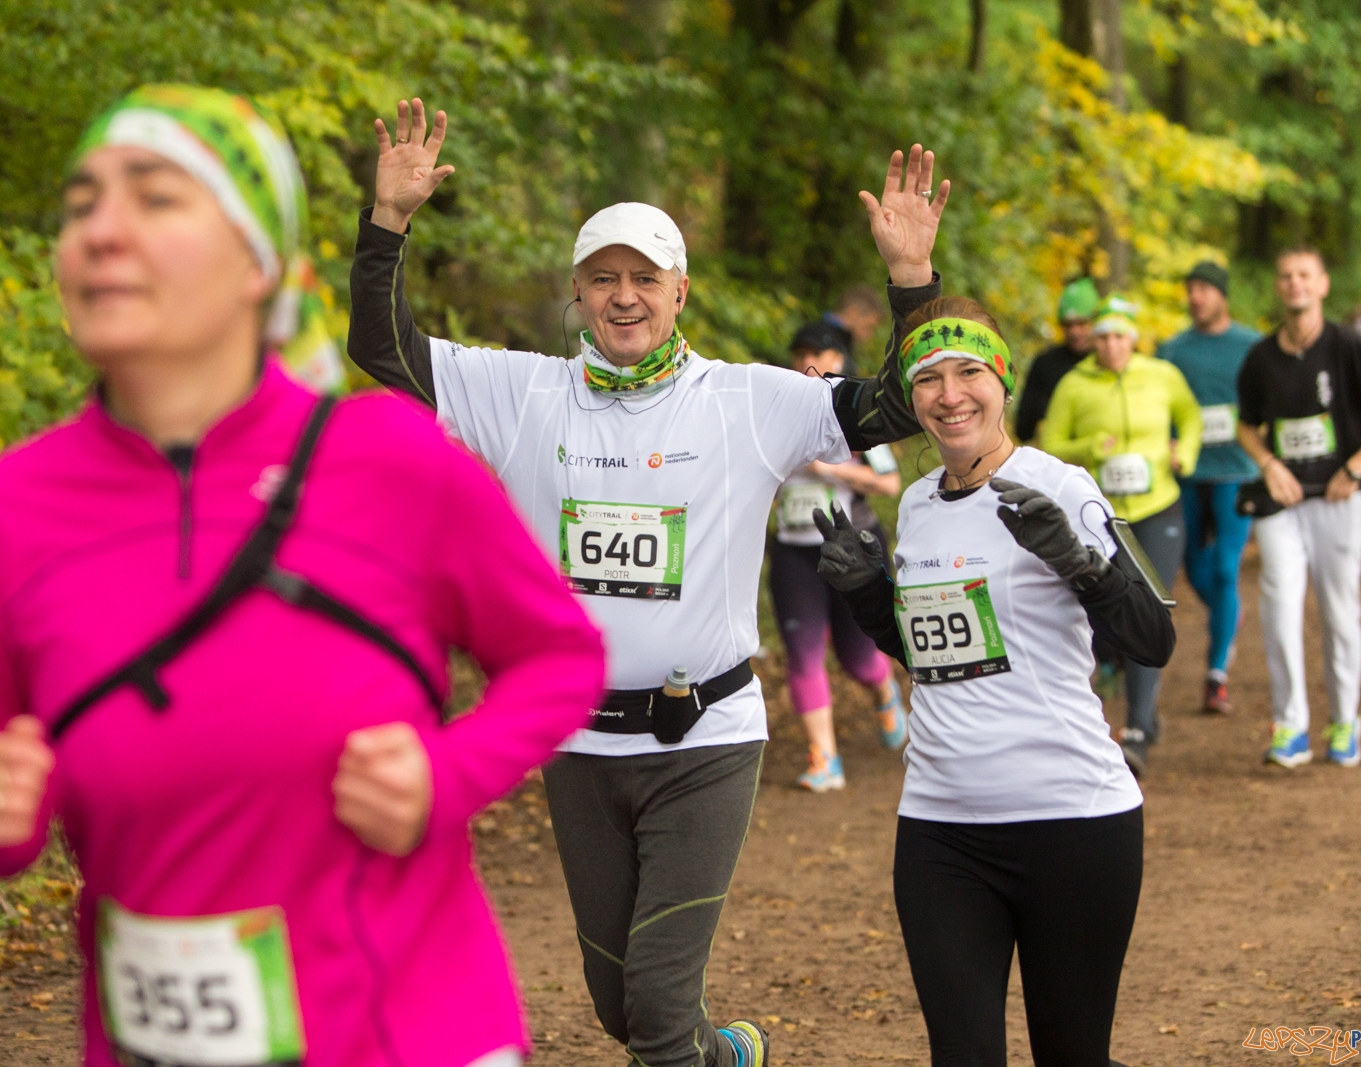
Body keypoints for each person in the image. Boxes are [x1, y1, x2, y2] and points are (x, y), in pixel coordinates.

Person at [0, 85, 607, 1067]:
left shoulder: (390, 460)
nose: (102, 229)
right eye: (80, 204)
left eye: (155, 197)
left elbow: (559, 655)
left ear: (255, 259)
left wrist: (446, 774)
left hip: (409, 1031)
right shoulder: (10, 507)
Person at [346, 98, 947, 1067]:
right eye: (602, 279)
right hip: (577, 742)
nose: (623, 295)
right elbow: (385, 351)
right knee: (624, 1006)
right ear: (577, 295)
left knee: (657, 1014)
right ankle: (729, 1053)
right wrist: (389, 226)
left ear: (680, 292)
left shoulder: (748, 401)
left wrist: (912, 278)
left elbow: (896, 402)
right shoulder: (522, 391)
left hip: (704, 738)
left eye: (644, 278)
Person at [811, 294, 1173, 1067]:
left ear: (1002, 380)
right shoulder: (914, 503)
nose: (950, 394)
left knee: (1071, 1055)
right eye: (930, 377)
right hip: (941, 829)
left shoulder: (1062, 485)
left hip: (1071, 821)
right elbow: (936, 656)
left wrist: (1081, 562)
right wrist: (872, 597)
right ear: (911, 397)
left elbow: (1153, 638)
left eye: (969, 370)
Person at [1235, 246, 1361, 769]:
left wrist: (1358, 468)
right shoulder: (1262, 357)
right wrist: (1269, 463)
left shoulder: (1349, 346)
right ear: (1278, 285)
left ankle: (1344, 722)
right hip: (1284, 502)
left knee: (1340, 614)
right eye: (1286, 276)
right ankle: (1290, 725)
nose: (1295, 284)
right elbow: (1247, 425)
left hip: (1340, 499)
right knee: (1280, 607)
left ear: (1323, 284)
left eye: (1304, 276)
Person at [1040, 295, 1201, 775]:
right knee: (1098, 614)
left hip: (1157, 507)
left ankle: (1136, 727)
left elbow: (1189, 417)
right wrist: (1089, 447)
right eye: (1103, 337)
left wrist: (1185, 454)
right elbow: (1050, 445)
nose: (1111, 345)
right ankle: (1103, 718)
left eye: (1120, 336)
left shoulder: (1162, 376)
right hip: (1099, 516)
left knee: (1149, 606)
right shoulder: (1074, 384)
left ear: (1133, 338)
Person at [769, 320, 905, 793]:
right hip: (793, 552)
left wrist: (832, 469)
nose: (806, 360)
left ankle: (884, 689)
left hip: (851, 550)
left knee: (858, 659)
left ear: (838, 361)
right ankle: (824, 759)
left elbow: (890, 483)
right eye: (800, 351)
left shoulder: (860, 413)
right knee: (803, 654)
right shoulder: (776, 412)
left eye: (818, 353)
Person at [1157, 261, 1262, 714]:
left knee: (1224, 569)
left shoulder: (1251, 345)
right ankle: (1228, 615)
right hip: (1188, 475)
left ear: (1222, 294)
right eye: (1190, 288)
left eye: (1204, 288)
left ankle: (1216, 673)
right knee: (1196, 571)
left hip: (1237, 472)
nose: (1196, 296)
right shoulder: (1172, 350)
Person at [1013, 277, 1098, 444]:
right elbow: (1024, 427)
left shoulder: (1109, 364)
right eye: (1068, 325)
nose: (1074, 332)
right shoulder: (1045, 364)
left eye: (1081, 324)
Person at [823, 283, 887, 372]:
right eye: (868, 327)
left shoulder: (842, 342)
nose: (868, 336)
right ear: (853, 313)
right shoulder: (821, 342)